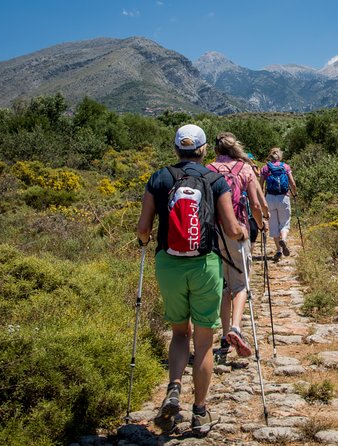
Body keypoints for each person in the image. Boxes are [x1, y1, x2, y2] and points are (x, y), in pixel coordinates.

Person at [136, 124, 248, 434]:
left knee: (179, 333)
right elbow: (230, 228)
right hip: (204, 265)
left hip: (169, 265)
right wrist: (243, 231)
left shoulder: (158, 178)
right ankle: (200, 412)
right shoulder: (214, 180)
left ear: (176, 149)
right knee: (204, 341)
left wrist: (144, 241)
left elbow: (143, 228)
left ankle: (173, 387)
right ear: (202, 151)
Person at [208, 133, 266, 360]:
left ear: (216, 150)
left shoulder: (208, 169)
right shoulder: (244, 169)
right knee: (240, 285)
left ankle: (224, 337)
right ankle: (235, 328)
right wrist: (260, 225)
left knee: (222, 285)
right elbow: (254, 204)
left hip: (212, 233)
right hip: (237, 231)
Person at [259, 147, 297, 262]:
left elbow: (260, 184)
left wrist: (261, 199)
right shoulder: (285, 167)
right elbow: (292, 183)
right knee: (285, 222)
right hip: (283, 197)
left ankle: (279, 250)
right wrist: (295, 194)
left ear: (270, 156)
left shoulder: (265, 168)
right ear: (280, 156)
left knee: (273, 224)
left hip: (270, 198)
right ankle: (284, 239)